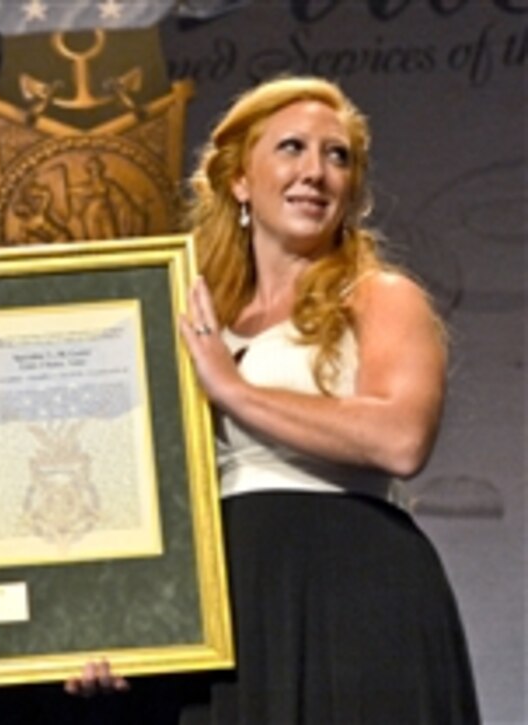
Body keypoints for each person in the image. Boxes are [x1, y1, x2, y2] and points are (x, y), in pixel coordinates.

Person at [160, 75, 479, 722]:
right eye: (292, 148)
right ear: (240, 180)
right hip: (222, 606)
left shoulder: (380, 296)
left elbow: (400, 437)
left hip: (353, 587)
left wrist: (233, 389)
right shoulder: (192, 311)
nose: (316, 172)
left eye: (338, 157)